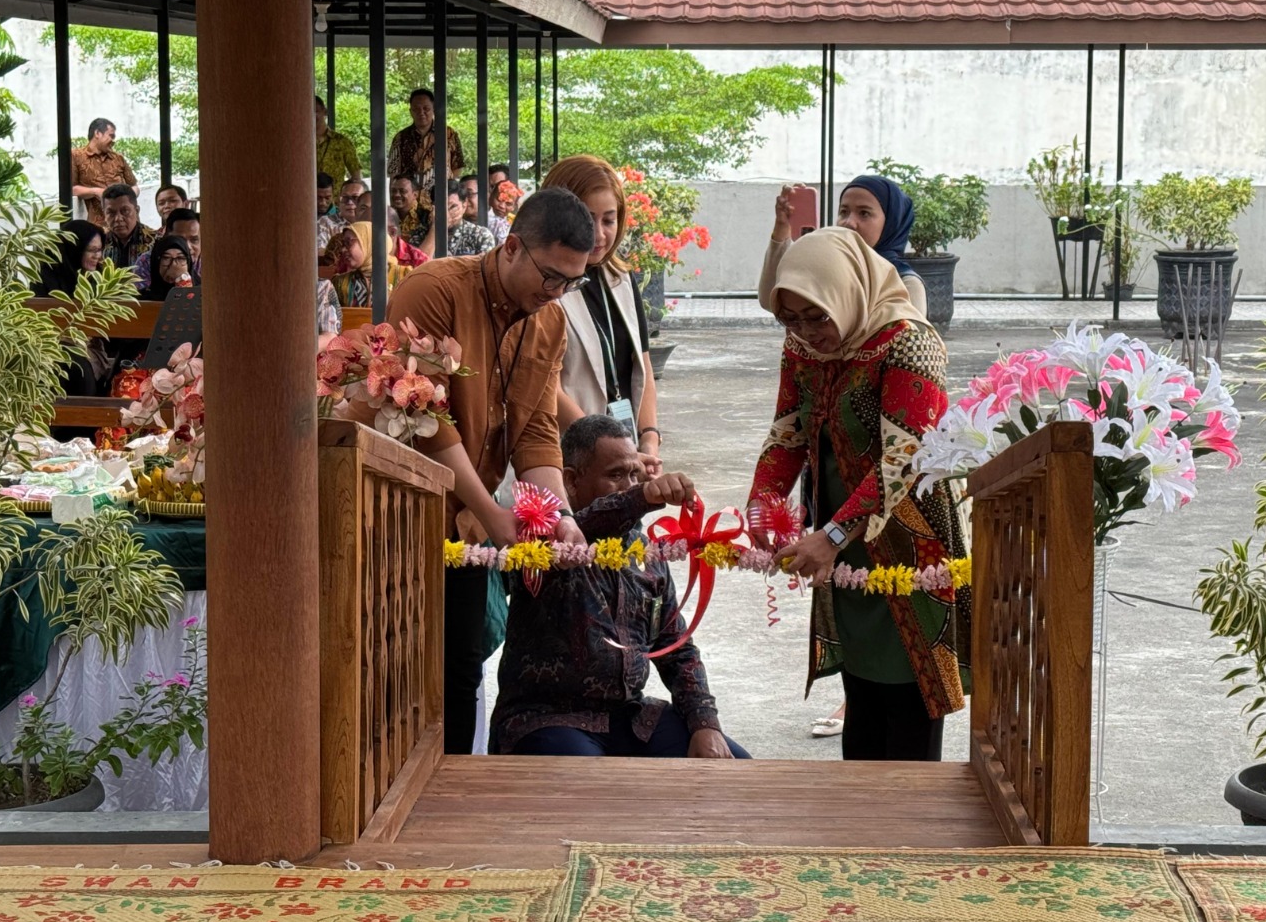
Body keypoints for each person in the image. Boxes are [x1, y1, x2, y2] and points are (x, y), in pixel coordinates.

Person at [385, 187, 595, 754]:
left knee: (460, 668)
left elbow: (534, 429)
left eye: (572, 282)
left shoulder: (548, 320)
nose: (556, 293)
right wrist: (491, 513)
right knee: (390, 665)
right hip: (397, 511)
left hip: (467, 524)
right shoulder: (433, 289)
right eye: (551, 276)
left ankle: (448, 802)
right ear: (511, 247)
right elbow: (423, 414)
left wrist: (561, 515)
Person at [748, 226, 968, 762]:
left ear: (845, 292)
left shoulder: (908, 341)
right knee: (863, 689)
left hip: (912, 544)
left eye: (816, 315)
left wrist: (833, 533)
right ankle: (863, 826)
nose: (805, 332)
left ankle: (908, 837)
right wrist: (763, 510)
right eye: (790, 319)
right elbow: (788, 432)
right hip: (843, 545)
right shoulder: (803, 348)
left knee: (909, 688)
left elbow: (907, 459)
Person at [492, 415, 749, 759]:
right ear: (570, 481)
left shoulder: (648, 555)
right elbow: (594, 519)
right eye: (615, 475)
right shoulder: (544, 539)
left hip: (630, 720)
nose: (628, 485)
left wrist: (705, 725)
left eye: (634, 475)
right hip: (548, 720)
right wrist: (642, 496)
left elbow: (678, 650)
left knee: (734, 765)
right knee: (597, 790)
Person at [543, 154, 662, 476]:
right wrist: (606, 450)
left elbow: (644, 367)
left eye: (608, 220)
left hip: (626, 461)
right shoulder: (544, 285)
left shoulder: (620, 279)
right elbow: (544, 386)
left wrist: (649, 439)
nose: (598, 235)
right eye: (587, 219)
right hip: (572, 463)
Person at [758, 176, 927, 316]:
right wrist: (782, 229)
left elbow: (912, 346)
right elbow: (771, 301)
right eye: (844, 212)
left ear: (891, 222)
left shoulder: (906, 284)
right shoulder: (827, 269)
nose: (849, 223)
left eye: (864, 213)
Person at [35, 219, 113, 400]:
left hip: (87, 346)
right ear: (74, 249)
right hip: (50, 347)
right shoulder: (46, 275)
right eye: (92, 250)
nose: (98, 256)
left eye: (100, 250)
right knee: (66, 361)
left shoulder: (99, 277)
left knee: (77, 364)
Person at [329, 221, 426, 308]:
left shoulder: (405, 276)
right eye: (343, 244)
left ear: (369, 242)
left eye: (348, 243)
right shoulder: (340, 284)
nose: (343, 250)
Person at [389, 87, 465, 190]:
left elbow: (458, 166)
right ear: (411, 111)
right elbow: (394, 173)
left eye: (426, 108)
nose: (421, 112)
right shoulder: (401, 137)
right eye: (416, 109)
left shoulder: (448, 134)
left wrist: (449, 188)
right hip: (409, 199)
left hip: (440, 197)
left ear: (434, 109)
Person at [70, 118, 139, 227]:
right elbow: (71, 189)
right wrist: (97, 191)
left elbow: (134, 186)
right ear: (97, 133)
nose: (113, 141)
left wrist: (127, 196)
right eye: (111, 136)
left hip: (129, 222)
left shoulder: (118, 158)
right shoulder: (76, 156)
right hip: (101, 226)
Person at [133, 208, 201, 290]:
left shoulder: (210, 264)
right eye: (180, 240)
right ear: (167, 236)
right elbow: (141, 300)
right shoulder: (146, 261)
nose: (188, 247)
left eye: (194, 240)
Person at [100, 182, 158, 270]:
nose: (118, 218)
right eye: (111, 213)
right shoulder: (99, 242)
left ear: (137, 210)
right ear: (104, 214)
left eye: (125, 211)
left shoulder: (156, 241)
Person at [315, 95, 362, 192]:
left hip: (335, 201)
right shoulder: (300, 144)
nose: (313, 115)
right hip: (306, 199)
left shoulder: (342, 141)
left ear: (325, 111)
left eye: (316, 111)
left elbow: (356, 174)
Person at [443, 182, 497, 257]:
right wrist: (435, 228)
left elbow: (485, 266)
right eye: (441, 208)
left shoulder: (480, 235)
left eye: (453, 207)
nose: (447, 213)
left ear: (464, 205)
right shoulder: (425, 231)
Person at [140, 234, 197, 301]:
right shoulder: (141, 300)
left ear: (188, 263)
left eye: (180, 258)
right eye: (166, 258)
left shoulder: (202, 295)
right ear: (156, 262)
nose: (173, 265)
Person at [391, 173, 434, 253]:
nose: (396, 195)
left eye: (402, 191)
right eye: (393, 191)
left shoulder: (427, 217)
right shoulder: (388, 215)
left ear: (415, 195)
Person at [488, 167, 521, 245]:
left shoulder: (515, 221)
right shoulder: (484, 218)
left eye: (508, 203)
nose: (502, 206)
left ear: (514, 206)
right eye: (499, 200)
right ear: (491, 198)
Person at [317, 172, 347, 252]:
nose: (322, 203)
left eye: (327, 198)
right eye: (318, 198)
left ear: (333, 195)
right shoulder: (303, 216)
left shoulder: (342, 217)